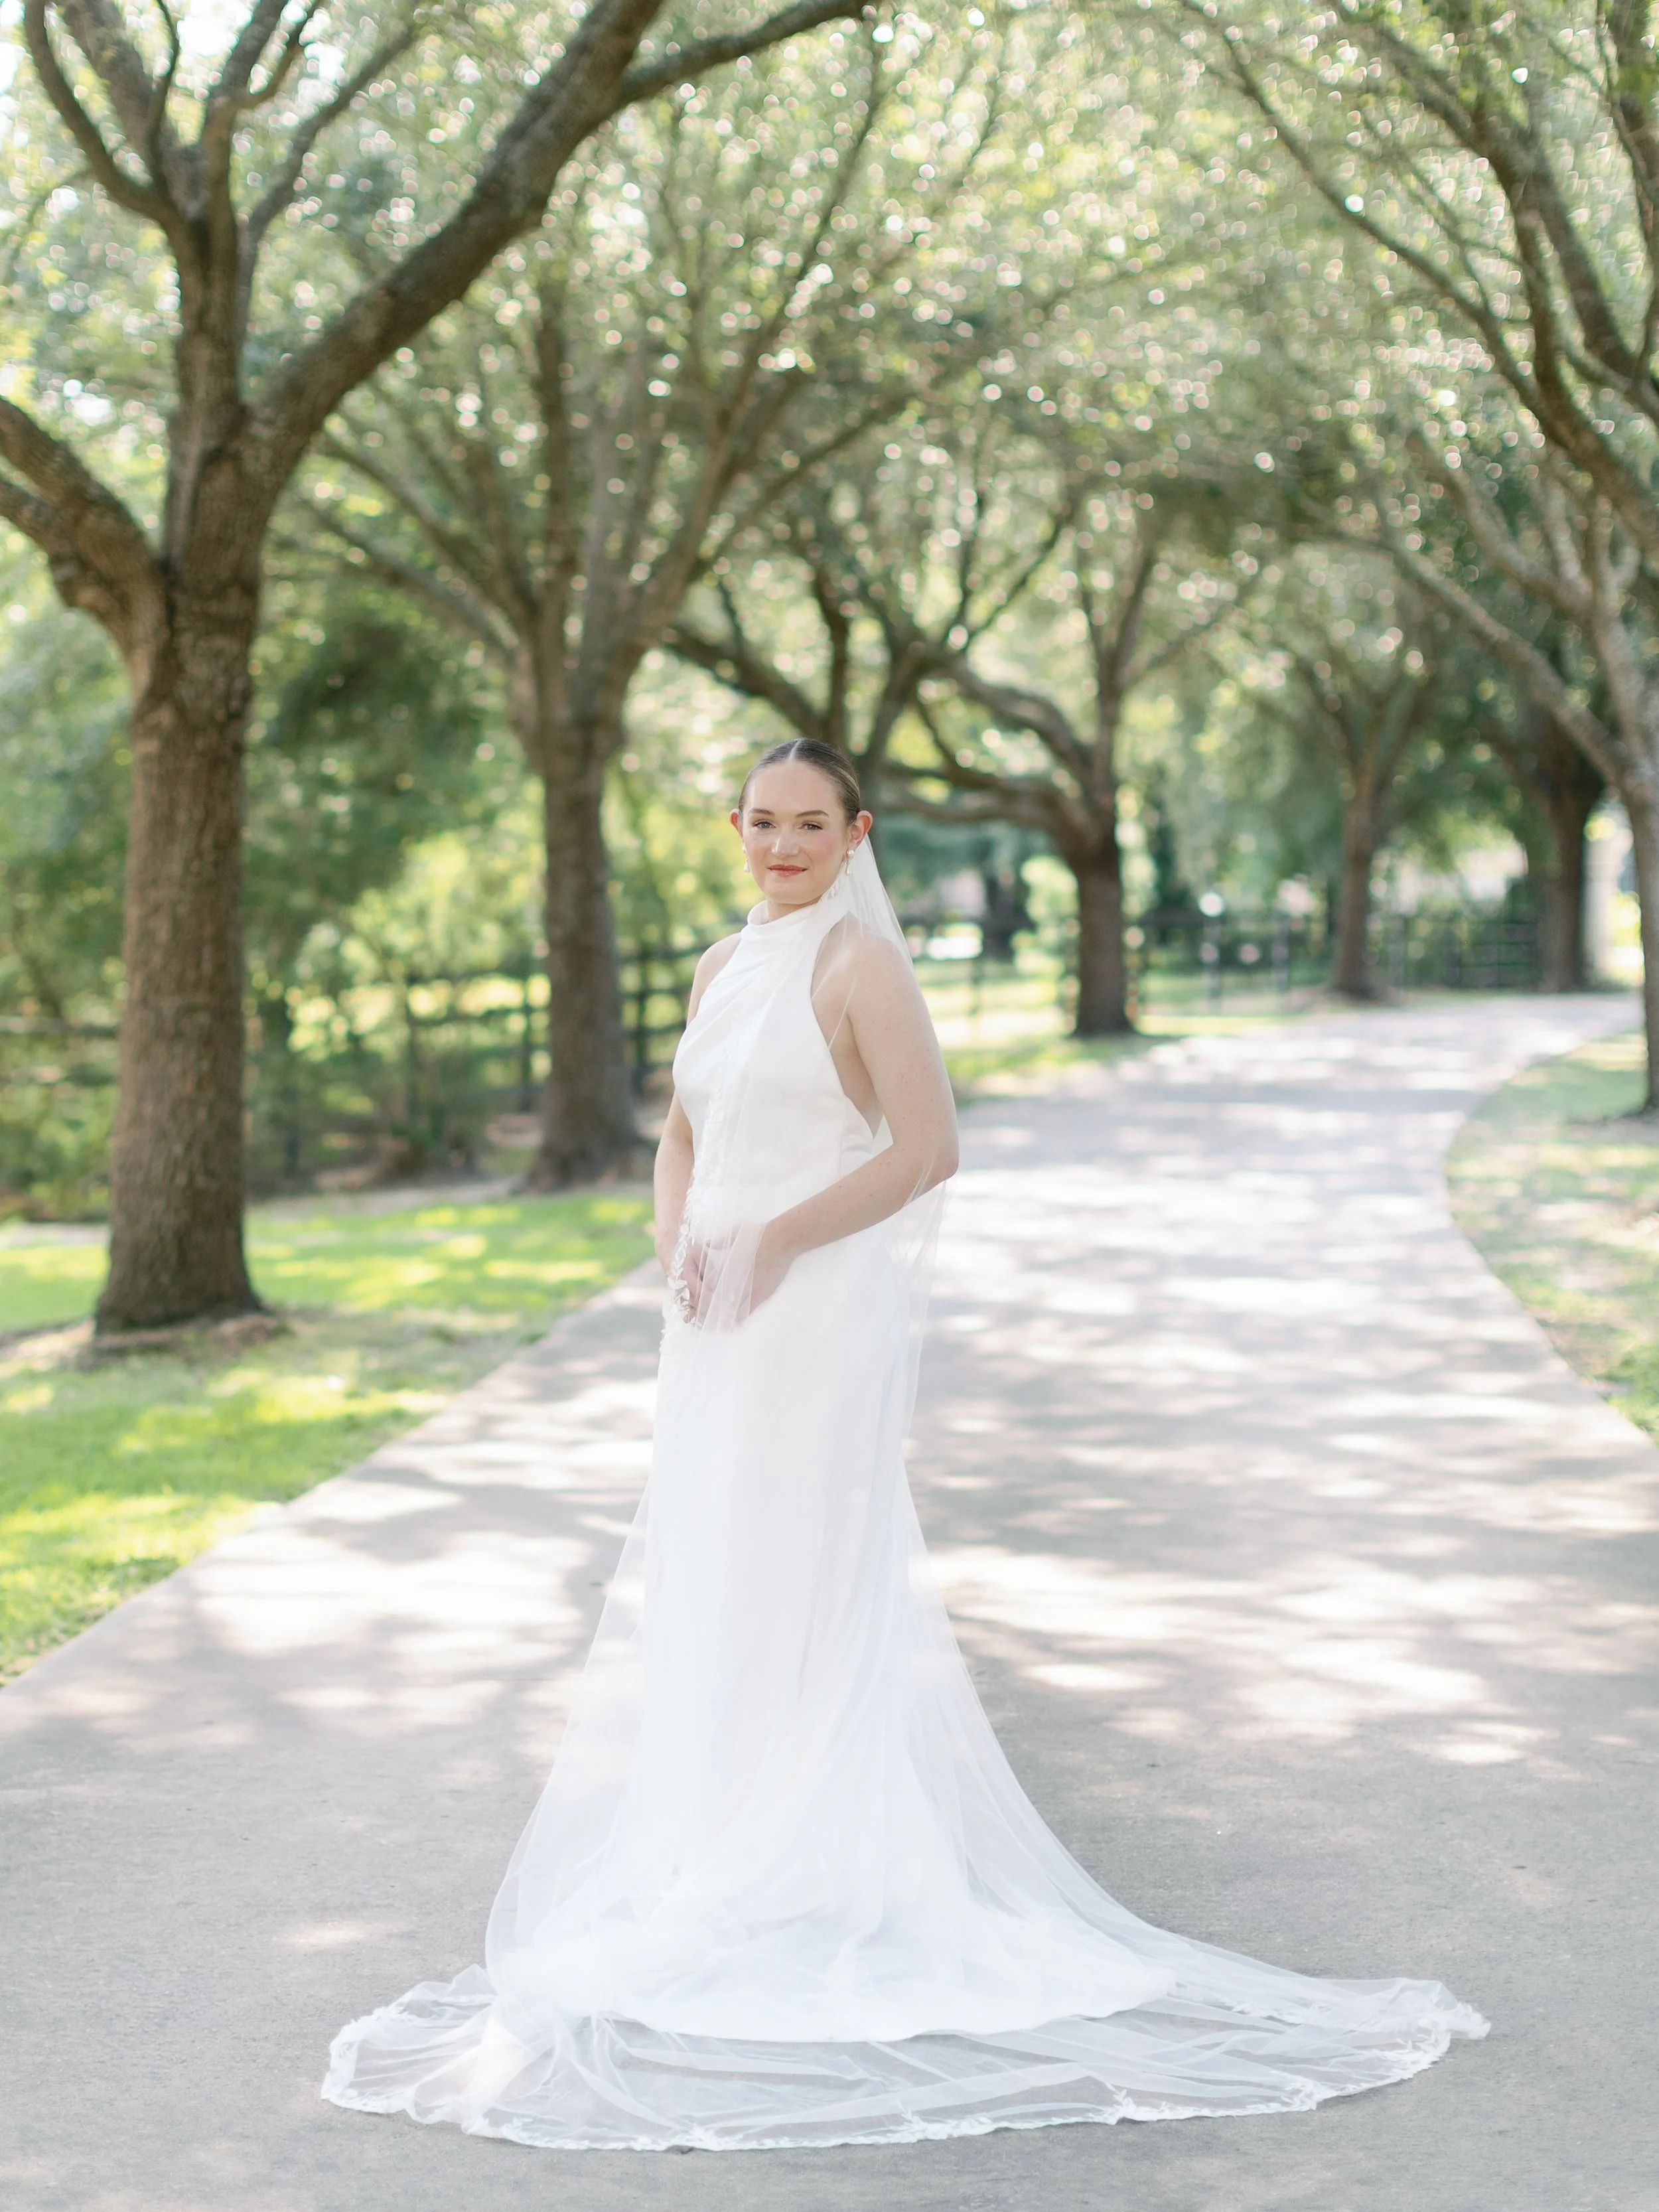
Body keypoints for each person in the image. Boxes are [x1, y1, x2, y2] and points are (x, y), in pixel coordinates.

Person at [323, 739, 1486, 2150]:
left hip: (814, 1313)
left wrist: (770, 1241)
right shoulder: (717, 965)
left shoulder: (859, 964)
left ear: (854, 830)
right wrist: (679, 1249)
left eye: (808, 823)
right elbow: (677, 1130)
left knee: (803, 1575)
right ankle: (723, 1852)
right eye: (760, 821)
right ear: (735, 826)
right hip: (716, 1319)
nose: (781, 844)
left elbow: (925, 1148)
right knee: (714, 1579)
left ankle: (812, 1866)